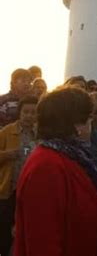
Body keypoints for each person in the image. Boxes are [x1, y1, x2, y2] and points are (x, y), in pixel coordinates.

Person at [13, 87, 97, 256]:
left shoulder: (74, 157)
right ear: (74, 125)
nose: (91, 127)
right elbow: (43, 242)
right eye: (88, 120)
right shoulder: (47, 167)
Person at [0, 96, 38, 256]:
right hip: (9, 189)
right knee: (4, 231)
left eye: (33, 112)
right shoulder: (7, 131)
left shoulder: (40, 133)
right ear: (20, 113)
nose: (29, 115)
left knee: (26, 229)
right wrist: (7, 155)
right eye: (26, 112)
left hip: (31, 191)